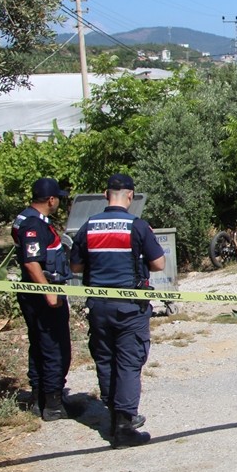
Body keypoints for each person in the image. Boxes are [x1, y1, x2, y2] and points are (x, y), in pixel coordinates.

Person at [70, 173, 165, 448]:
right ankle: (124, 426)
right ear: (131, 196)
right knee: (128, 362)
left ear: (105, 194)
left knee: (105, 359)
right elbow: (158, 264)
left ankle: (114, 417)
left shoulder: (88, 226)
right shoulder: (137, 226)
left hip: (98, 305)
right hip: (129, 307)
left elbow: (76, 267)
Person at [12, 177, 74, 421]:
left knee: (40, 343)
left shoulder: (26, 218)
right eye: (58, 198)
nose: (58, 201)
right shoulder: (33, 225)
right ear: (51, 200)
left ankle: (40, 399)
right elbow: (31, 262)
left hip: (37, 290)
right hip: (43, 291)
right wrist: (48, 291)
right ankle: (53, 404)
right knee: (55, 347)